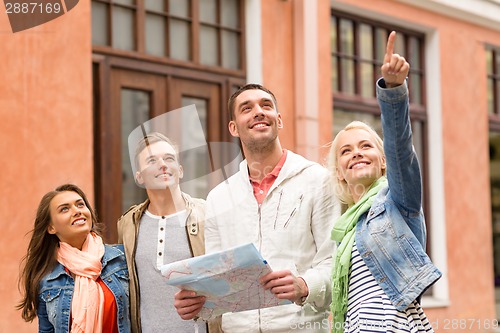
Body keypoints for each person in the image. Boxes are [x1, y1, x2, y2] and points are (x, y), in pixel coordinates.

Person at [174, 84, 340, 332]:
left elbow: (335, 263)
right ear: (233, 127)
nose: (259, 112)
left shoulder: (318, 180)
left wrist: (305, 285)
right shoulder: (219, 197)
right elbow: (219, 280)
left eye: (266, 106)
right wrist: (196, 304)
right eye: (246, 108)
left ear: (279, 120)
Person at [327, 31, 441, 333]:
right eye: (346, 151)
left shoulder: (398, 203)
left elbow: (400, 148)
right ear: (339, 171)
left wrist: (393, 90)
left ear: (383, 162)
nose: (356, 154)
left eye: (365, 146)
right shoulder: (344, 229)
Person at [117, 132, 214, 333]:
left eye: (169, 158)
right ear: (139, 176)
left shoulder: (208, 214)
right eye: (152, 160)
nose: (163, 164)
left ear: (180, 170)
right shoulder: (127, 224)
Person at [17, 183, 130, 333]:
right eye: (65, 209)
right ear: (51, 228)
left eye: (80, 205)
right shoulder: (47, 280)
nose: (77, 211)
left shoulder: (122, 259)